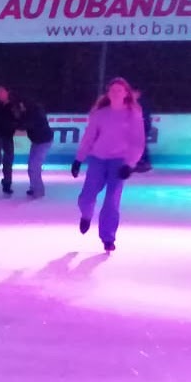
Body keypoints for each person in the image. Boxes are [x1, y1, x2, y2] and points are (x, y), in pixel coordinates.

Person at [73, 77, 146, 253]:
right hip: (98, 158)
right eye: (112, 90)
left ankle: (108, 237)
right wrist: (79, 159)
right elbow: (89, 137)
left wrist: (130, 164)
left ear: (126, 93)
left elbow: (137, 141)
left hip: (119, 161)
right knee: (87, 196)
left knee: (112, 201)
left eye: (119, 90)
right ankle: (86, 214)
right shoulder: (100, 114)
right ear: (108, 93)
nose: (115, 93)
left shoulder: (133, 115)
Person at [23, 93, 54, 198]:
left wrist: (16, 123)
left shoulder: (35, 112)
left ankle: (39, 190)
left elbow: (27, 124)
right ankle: (34, 187)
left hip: (44, 141)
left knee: (34, 166)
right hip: (37, 140)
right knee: (32, 165)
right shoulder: (31, 111)